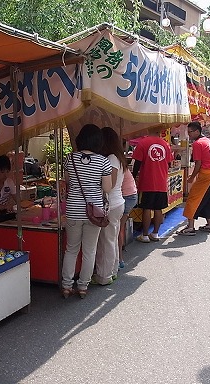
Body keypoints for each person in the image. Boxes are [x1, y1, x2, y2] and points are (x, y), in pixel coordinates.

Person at [61, 124, 112, 299]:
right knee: (89, 251)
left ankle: (67, 286)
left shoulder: (70, 159)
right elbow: (107, 187)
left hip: (73, 209)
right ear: (98, 141)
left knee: (71, 249)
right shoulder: (103, 161)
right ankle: (82, 287)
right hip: (94, 212)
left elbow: (67, 181)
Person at [92, 127, 126, 285]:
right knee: (111, 238)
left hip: (111, 203)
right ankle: (112, 270)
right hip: (117, 202)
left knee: (106, 241)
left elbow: (109, 185)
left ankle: (104, 276)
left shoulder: (111, 158)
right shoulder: (118, 157)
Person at [178, 122, 210, 236]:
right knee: (209, 200)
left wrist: (191, 178)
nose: (189, 134)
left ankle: (190, 227)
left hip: (206, 174)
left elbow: (198, 164)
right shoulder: (207, 140)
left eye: (190, 132)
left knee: (193, 198)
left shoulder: (198, 143)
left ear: (197, 131)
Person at [132, 132, 172, 243]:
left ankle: (144, 235)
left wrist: (133, 176)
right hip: (161, 182)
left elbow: (137, 163)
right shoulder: (165, 144)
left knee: (147, 208)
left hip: (147, 182)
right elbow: (169, 163)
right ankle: (155, 233)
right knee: (158, 208)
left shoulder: (143, 143)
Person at [118, 164, 137, 269]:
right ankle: (119, 258)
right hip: (130, 195)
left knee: (117, 230)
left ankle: (119, 259)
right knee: (118, 229)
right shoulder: (119, 162)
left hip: (126, 196)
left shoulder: (112, 162)